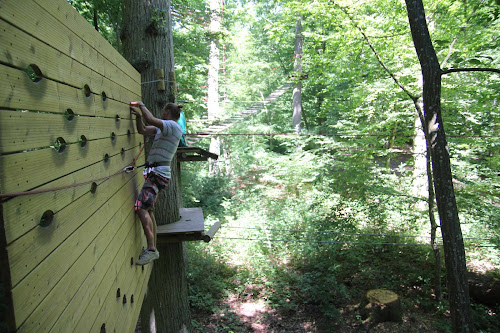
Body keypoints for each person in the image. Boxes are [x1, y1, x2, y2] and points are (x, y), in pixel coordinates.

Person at [129, 101, 183, 265]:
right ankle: (153, 248)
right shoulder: (164, 128)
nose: (161, 113)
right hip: (157, 173)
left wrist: (142, 105)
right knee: (149, 210)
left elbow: (151, 120)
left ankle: (152, 250)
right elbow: (144, 130)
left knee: (140, 207)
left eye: (162, 110)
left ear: (167, 112)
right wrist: (139, 117)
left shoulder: (172, 126)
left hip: (158, 174)